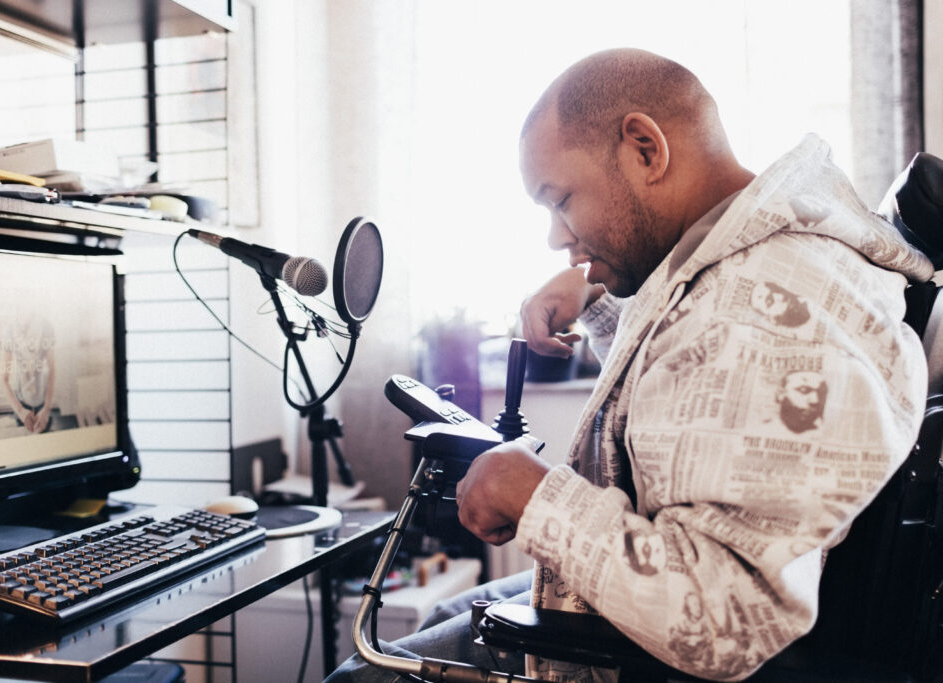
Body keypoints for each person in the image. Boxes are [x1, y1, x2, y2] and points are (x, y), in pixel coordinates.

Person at [329, 47, 931, 682]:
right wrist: (606, 303)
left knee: (361, 676)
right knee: (448, 611)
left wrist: (535, 496)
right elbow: (691, 395)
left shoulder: (761, 314)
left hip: (649, 653)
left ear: (645, 149)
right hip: (633, 608)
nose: (556, 238)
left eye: (560, 199)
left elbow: (725, 618)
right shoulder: (753, 270)